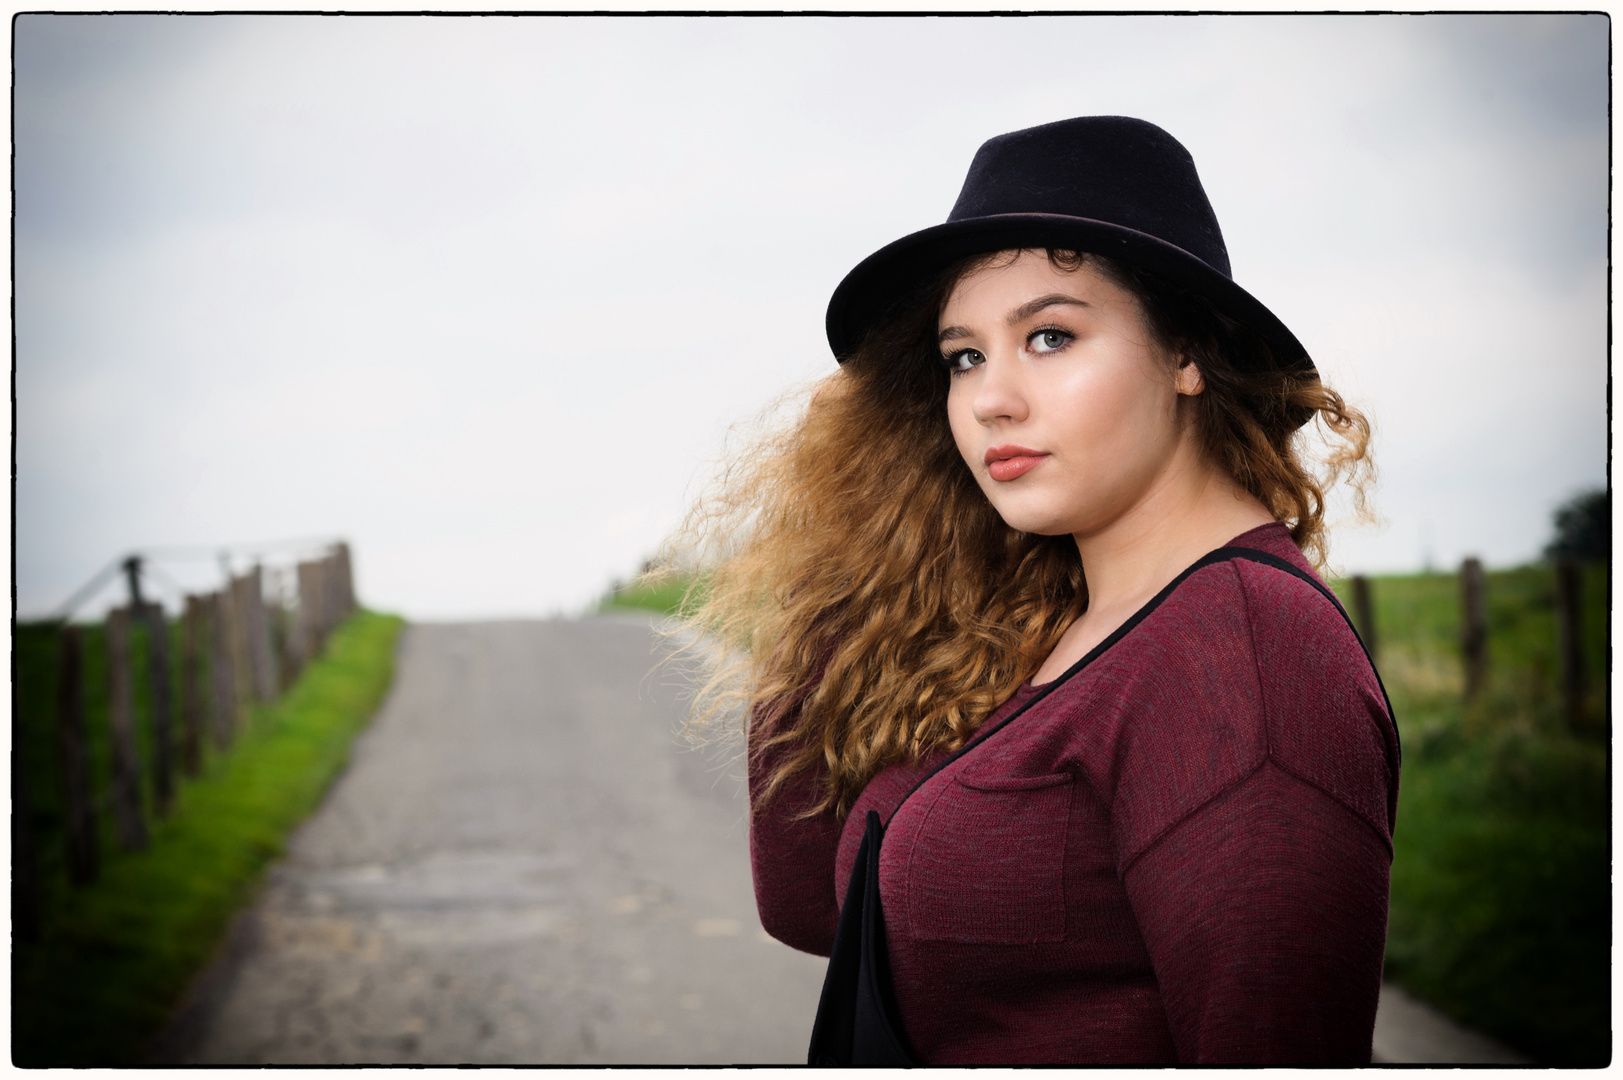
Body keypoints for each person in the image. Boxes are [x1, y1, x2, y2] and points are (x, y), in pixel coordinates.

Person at [672, 116, 1397, 1065]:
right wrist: (842, 526)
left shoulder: (1245, 658)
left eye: (1049, 336)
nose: (988, 399)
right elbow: (816, 905)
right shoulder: (1043, 620)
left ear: (1184, 352)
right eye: (962, 356)